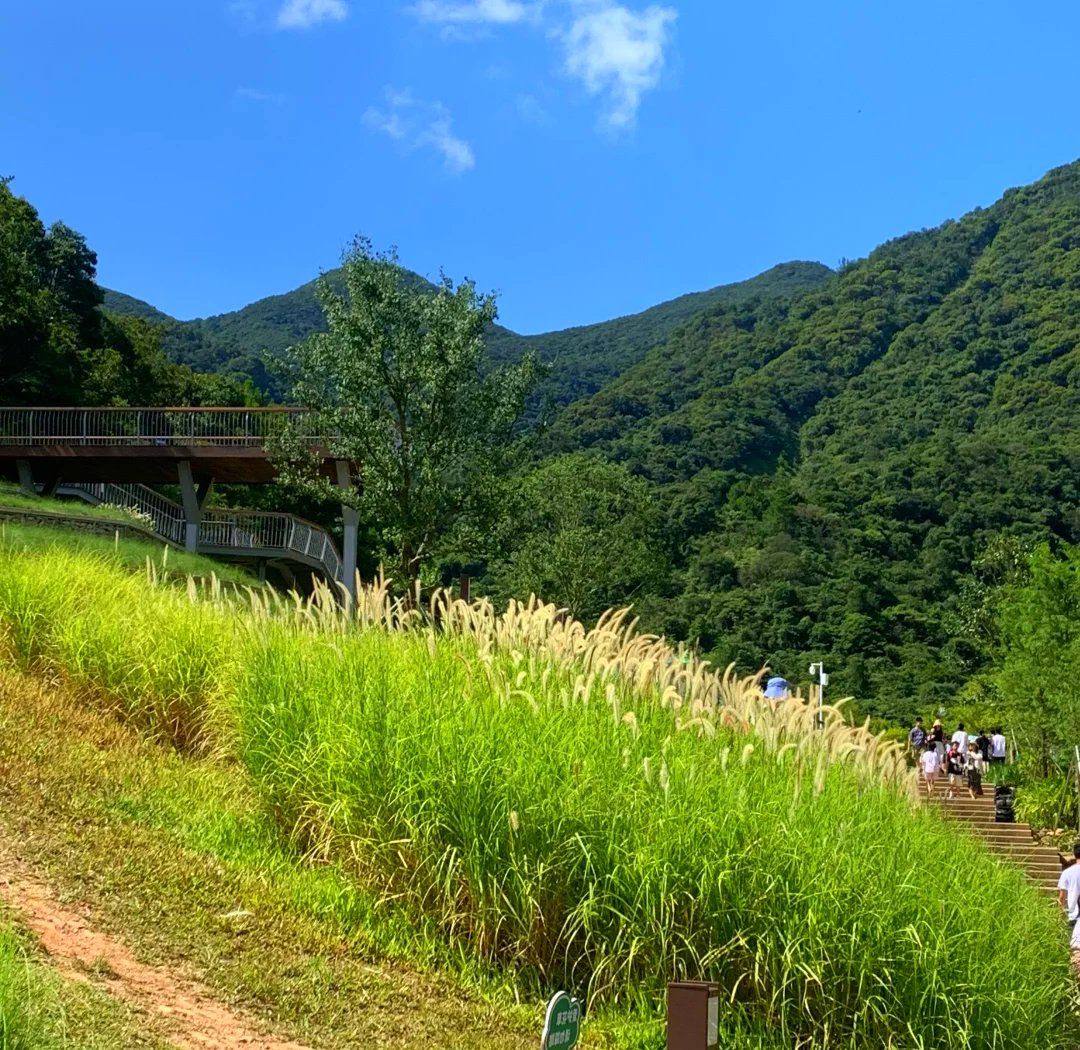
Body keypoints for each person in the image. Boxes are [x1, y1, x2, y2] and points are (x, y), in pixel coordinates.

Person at [1057, 845, 1080, 929]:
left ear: (1074, 855)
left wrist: (1061, 916)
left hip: (1073, 915)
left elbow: (1062, 897)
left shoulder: (1067, 873)